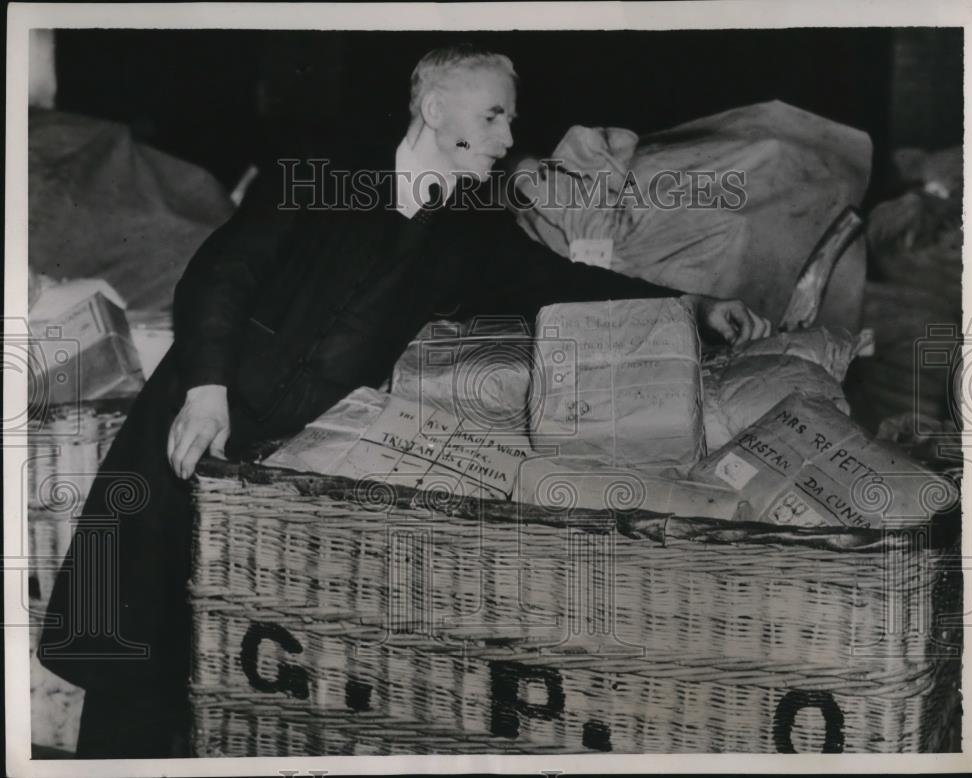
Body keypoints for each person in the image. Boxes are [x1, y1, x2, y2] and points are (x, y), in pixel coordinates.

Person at [38, 43, 771, 758]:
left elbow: (556, 278)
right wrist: (204, 390)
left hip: (281, 456)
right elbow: (221, 273)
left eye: (509, 120)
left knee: (225, 662)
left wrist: (693, 305)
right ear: (431, 107)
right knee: (132, 651)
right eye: (492, 117)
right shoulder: (323, 173)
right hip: (198, 416)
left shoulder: (463, 228)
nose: (509, 137)